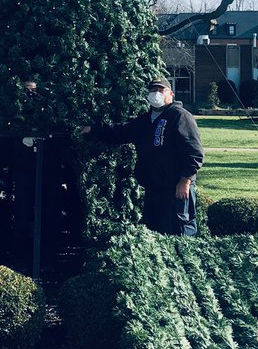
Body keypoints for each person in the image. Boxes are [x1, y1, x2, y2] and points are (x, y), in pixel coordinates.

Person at [83, 77, 204, 235]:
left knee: (179, 233)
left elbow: (194, 153)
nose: (156, 94)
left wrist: (185, 181)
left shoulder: (180, 116)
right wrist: (93, 130)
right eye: (153, 91)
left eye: (161, 90)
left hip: (175, 189)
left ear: (171, 94)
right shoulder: (145, 121)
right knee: (155, 233)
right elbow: (120, 132)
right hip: (154, 189)